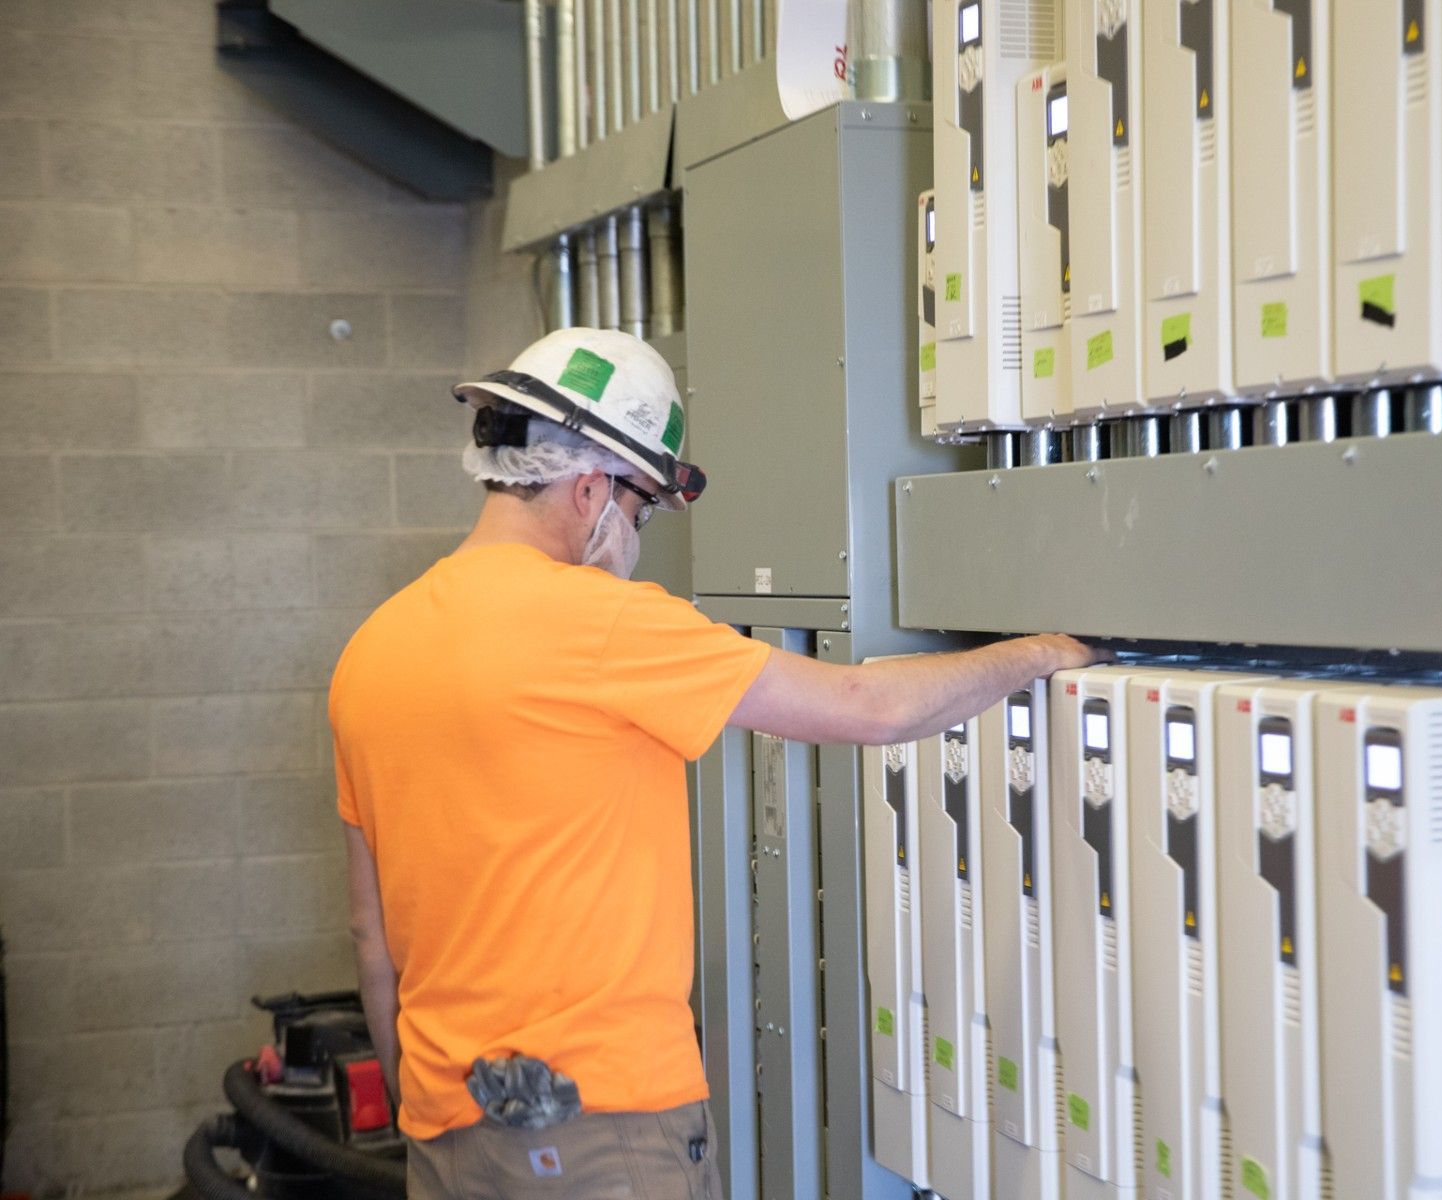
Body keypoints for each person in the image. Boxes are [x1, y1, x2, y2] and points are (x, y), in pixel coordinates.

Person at [329, 328, 1101, 1200]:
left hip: (448, 1130)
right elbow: (869, 708)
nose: (638, 534)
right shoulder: (600, 623)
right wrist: (1038, 653)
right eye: (643, 507)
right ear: (590, 491)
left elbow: (373, 937)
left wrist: (420, 1106)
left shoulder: (371, 651)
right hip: (602, 1127)